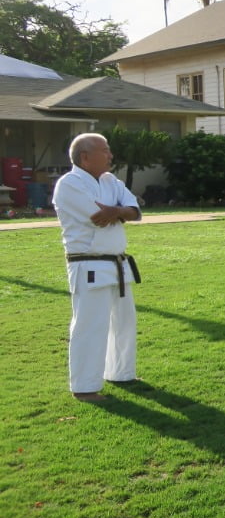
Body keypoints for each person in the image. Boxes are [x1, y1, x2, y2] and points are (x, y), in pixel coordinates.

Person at [52, 133, 142, 402]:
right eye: (106, 150)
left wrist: (117, 211)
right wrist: (118, 211)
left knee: (124, 323)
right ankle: (84, 386)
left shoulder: (110, 181)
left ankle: (121, 373)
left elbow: (135, 210)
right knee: (90, 327)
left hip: (117, 263)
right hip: (87, 263)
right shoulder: (69, 184)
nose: (111, 155)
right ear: (85, 157)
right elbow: (96, 218)